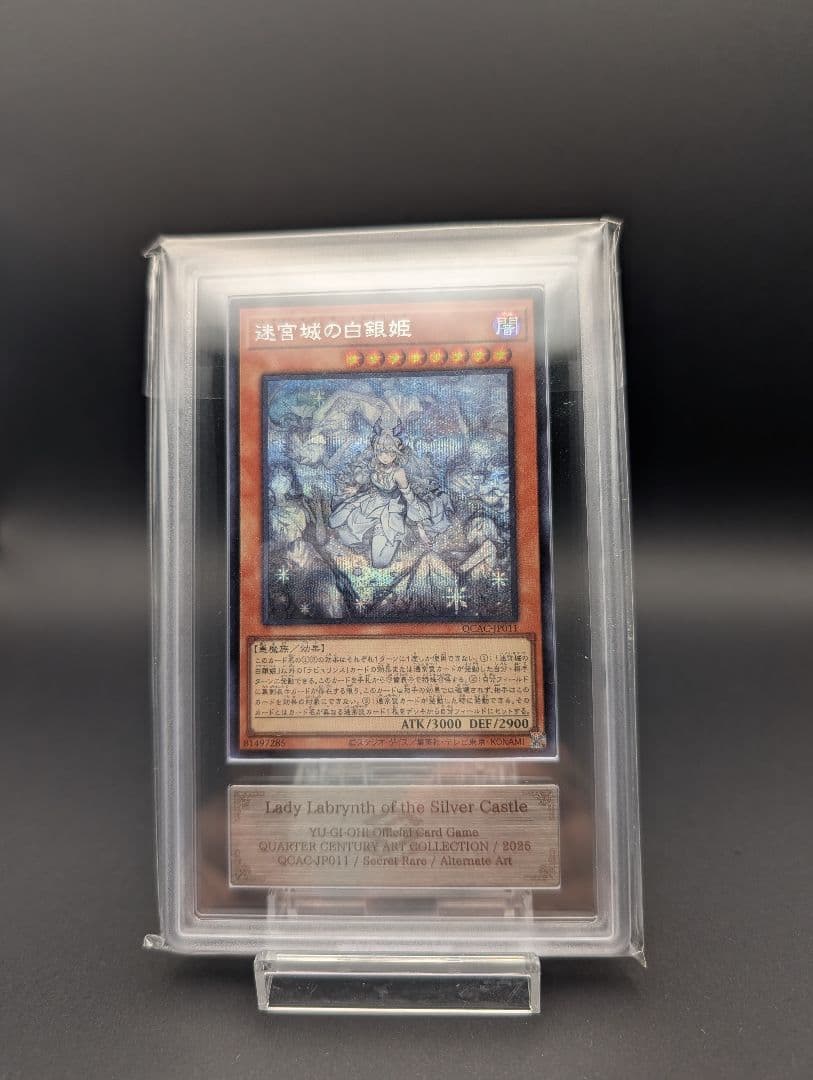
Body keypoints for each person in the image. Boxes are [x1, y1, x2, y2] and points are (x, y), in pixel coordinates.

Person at [328, 420, 450, 569]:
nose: (385, 456)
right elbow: (366, 479)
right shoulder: (374, 465)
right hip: (371, 501)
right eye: (381, 452)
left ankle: (392, 535)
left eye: (390, 452)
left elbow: (410, 499)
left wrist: (421, 530)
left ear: (397, 452)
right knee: (334, 522)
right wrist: (356, 488)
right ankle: (368, 535)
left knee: (379, 562)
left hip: (392, 509)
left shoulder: (399, 472)